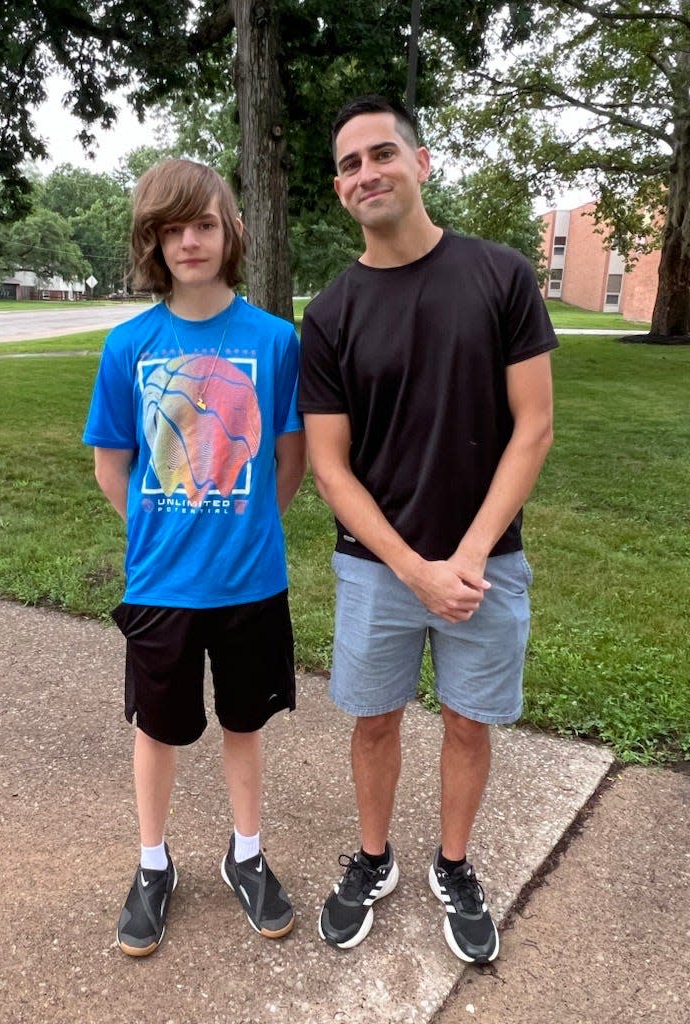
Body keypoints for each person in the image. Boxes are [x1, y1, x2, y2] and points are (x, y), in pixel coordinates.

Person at [298, 96, 557, 963]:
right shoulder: (330, 312)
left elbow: (534, 428)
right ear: (340, 191)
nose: (365, 173)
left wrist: (470, 556)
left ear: (422, 163)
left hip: (487, 562)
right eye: (348, 165)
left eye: (381, 154)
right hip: (379, 569)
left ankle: (454, 866)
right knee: (373, 721)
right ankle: (374, 859)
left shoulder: (502, 275)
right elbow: (330, 467)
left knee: (467, 723)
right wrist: (414, 568)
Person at [83, 158, 305, 956]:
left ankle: (246, 855)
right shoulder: (129, 345)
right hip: (161, 583)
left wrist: (242, 525)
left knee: (245, 723)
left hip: (251, 581)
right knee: (160, 729)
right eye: (171, 228)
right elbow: (113, 464)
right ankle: (153, 864)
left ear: (230, 232)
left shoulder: (276, 341)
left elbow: (289, 462)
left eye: (203, 224)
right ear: (153, 240)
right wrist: (158, 525)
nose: (189, 241)